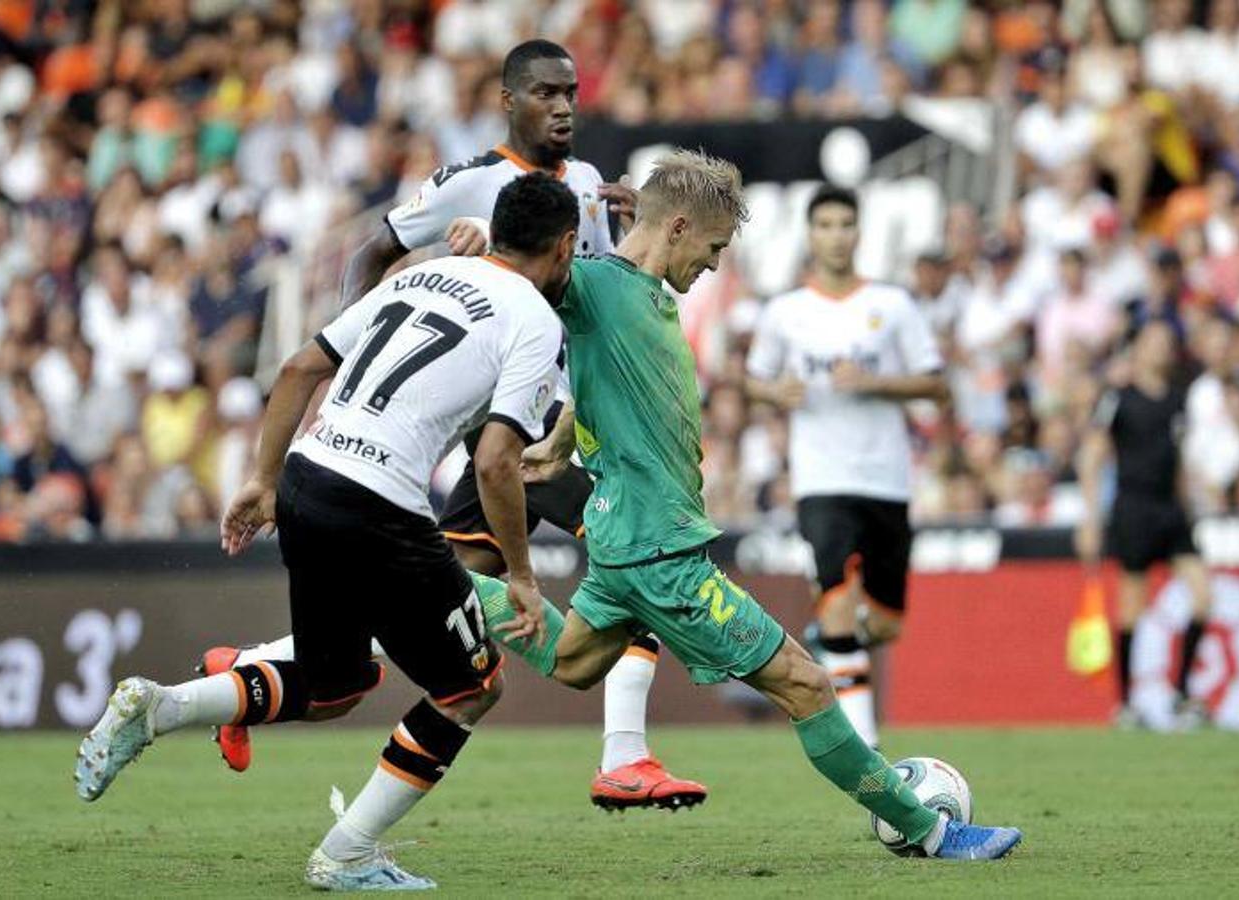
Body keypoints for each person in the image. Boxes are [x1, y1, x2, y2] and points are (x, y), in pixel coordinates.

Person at [199, 38, 705, 811]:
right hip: (514, 429)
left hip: (571, 420)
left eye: (570, 92)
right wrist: (359, 346)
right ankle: (624, 758)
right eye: (544, 93)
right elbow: (375, 248)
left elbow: (592, 298)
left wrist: (633, 238)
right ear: (509, 101)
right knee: (640, 558)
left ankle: (248, 670)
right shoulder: (472, 183)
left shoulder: (593, 187)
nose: (563, 106)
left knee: (448, 590)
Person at [511, 150, 1020, 860]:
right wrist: (479, 243)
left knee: (569, 662)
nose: (716, 265)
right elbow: (523, 264)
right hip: (661, 557)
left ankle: (430, 586)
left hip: (625, 544)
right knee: (806, 684)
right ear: (680, 227)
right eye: (714, 247)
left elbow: (595, 373)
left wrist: (564, 439)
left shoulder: (646, 293)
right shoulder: (592, 284)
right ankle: (933, 832)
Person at [75, 173, 575, 890]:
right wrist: (522, 576)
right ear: (563, 249)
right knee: (471, 688)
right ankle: (346, 854)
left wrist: (262, 478)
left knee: (333, 685)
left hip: (308, 478)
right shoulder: (535, 320)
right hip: (381, 507)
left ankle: (160, 705)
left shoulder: (426, 274)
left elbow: (299, 365)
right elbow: (498, 461)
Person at [743, 185, 947, 748]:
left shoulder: (892, 305)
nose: (836, 235)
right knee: (834, 590)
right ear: (811, 235)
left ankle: (834, 642)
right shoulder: (786, 312)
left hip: (885, 479)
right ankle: (863, 741)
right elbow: (752, 381)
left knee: (882, 623)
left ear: (859, 233)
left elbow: (936, 383)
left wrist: (875, 383)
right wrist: (773, 392)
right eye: (826, 224)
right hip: (821, 478)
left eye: (845, 224)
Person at [1076, 319, 1214, 730]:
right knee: (1131, 607)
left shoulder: (1177, 401)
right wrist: (1090, 518)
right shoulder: (1118, 399)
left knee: (1203, 597)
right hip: (1133, 507)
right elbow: (1093, 455)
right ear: (1136, 350)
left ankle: (1183, 693)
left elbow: (1180, 464)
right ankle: (1127, 703)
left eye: (1166, 342)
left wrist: (1190, 507)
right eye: (1152, 342)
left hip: (1171, 510)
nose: (1160, 349)